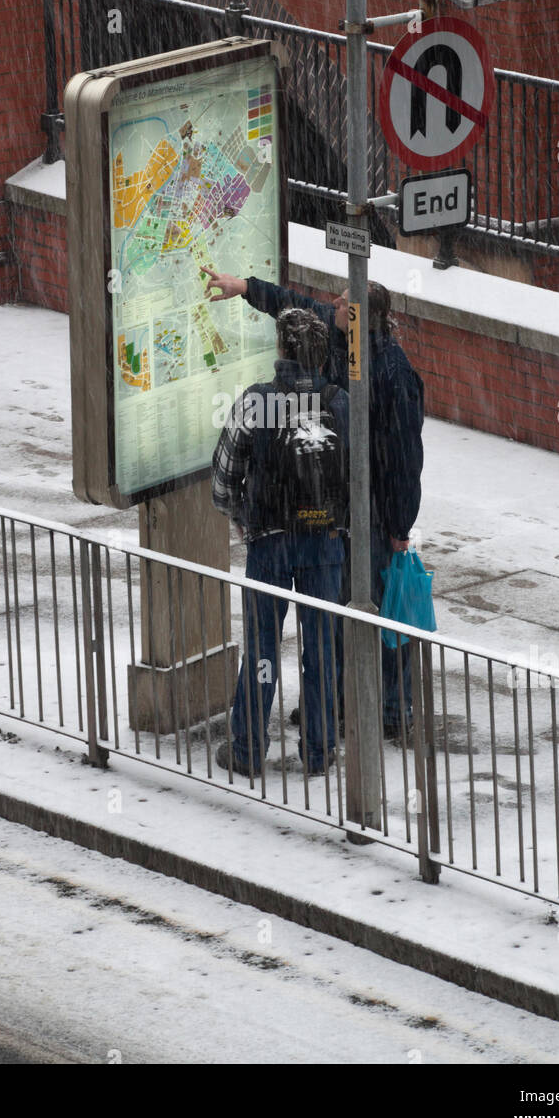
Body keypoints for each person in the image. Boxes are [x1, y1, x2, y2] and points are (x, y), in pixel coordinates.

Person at [204, 268, 423, 739]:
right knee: (329, 630)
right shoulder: (339, 384)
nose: (335, 303)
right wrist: (246, 288)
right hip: (332, 525)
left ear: (366, 317)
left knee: (378, 610)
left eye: (344, 302)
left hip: (366, 514)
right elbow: (292, 304)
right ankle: (325, 732)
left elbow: (405, 457)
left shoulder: (392, 373)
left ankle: (387, 711)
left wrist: (400, 523)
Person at [211, 308, 349, 776]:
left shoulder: (257, 402)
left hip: (269, 541)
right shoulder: (339, 402)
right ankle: (319, 748)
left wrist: (241, 517)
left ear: (283, 350)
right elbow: (359, 475)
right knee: (321, 648)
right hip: (324, 543)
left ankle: (248, 747)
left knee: (263, 646)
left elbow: (224, 475)